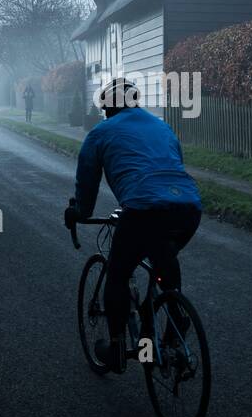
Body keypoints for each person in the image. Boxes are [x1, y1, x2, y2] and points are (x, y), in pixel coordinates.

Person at [64, 78, 202, 374]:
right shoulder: (161, 126)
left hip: (143, 210)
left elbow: (86, 185)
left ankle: (115, 350)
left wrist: (79, 213)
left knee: (117, 274)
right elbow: (171, 166)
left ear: (108, 108)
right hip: (188, 206)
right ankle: (174, 311)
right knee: (163, 256)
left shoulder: (100, 133)